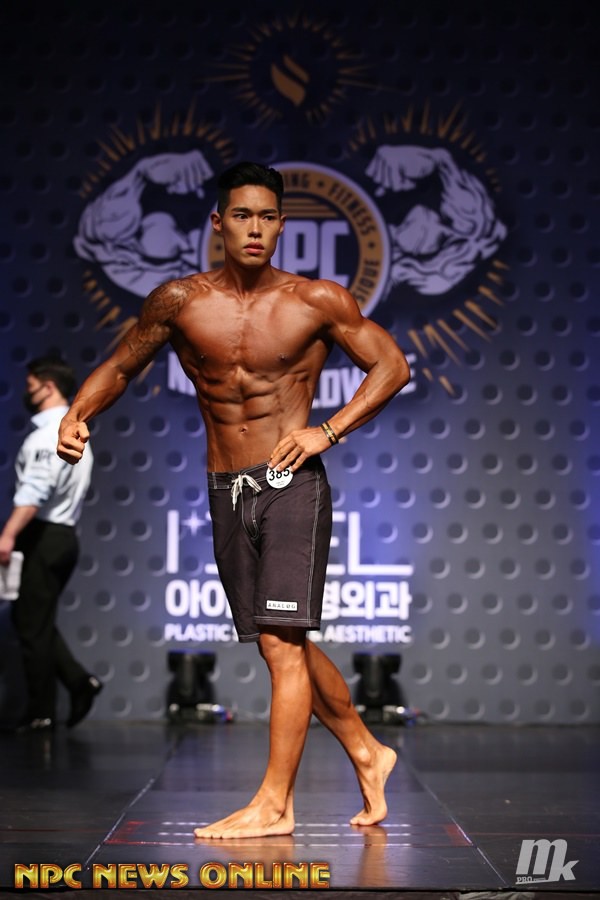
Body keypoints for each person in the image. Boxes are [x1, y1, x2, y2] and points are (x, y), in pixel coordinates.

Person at [57, 161, 411, 837]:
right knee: (285, 645)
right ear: (219, 222)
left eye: (267, 217)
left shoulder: (316, 300)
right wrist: (79, 413)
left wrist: (327, 431)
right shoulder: (179, 301)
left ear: (282, 225)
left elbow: (391, 366)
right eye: (242, 215)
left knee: (281, 641)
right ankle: (368, 752)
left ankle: (275, 805)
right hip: (225, 488)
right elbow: (123, 364)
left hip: (290, 483)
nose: (255, 228)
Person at [0, 356, 102, 732]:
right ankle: (79, 683)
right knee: (33, 620)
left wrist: (8, 534)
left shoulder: (49, 435)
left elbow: (36, 490)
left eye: (30, 387)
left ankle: (41, 712)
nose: (26, 394)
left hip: (44, 535)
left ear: (47, 387)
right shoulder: (74, 432)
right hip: (60, 536)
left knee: (32, 626)